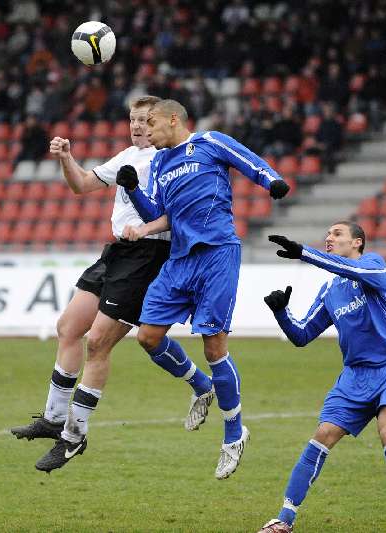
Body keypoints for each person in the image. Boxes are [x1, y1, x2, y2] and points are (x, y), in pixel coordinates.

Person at [117, 99, 290, 479]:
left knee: (214, 346)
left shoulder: (210, 143)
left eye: (152, 122)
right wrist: (134, 192)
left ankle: (233, 434)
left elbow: (248, 161)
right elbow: (160, 216)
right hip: (179, 259)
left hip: (216, 253)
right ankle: (200, 385)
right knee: (147, 337)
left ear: (173, 120)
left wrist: (271, 180)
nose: (146, 130)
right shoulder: (160, 164)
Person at [9, 95, 172, 473]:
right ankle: (52, 419)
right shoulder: (126, 156)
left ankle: (74, 436)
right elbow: (82, 185)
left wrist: (147, 227)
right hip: (115, 253)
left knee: (98, 342)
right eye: (133, 119)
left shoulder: (173, 159)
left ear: (163, 122)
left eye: (145, 120)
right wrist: (66, 158)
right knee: (68, 327)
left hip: (147, 256)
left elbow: (179, 211)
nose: (137, 126)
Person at [257, 222, 386, 533]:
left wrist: (304, 253)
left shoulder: (373, 265)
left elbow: (346, 268)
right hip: (355, 375)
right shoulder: (330, 290)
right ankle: (284, 519)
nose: (329, 238)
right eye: (327, 234)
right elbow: (302, 334)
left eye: (337, 234)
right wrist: (281, 313)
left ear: (357, 243)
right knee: (323, 434)